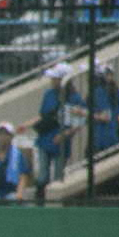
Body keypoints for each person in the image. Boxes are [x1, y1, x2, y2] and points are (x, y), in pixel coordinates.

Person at [17, 62, 85, 200]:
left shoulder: (75, 98)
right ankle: (40, 200)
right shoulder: (49, 94)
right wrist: (26, 125)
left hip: (60, 142)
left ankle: (54, 202)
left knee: (58, 177)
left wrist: (64, 135)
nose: (52, 81)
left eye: (55, 78)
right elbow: (43, 116)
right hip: (45, 139)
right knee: (42, 176)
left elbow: (78, 124)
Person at [90, 63, 119, 153]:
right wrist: (98, 116)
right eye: (106, 74)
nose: (108, 77)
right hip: (100, 134)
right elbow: (90, 112)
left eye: (110, 74)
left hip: (115, 132)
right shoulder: (96, 93)